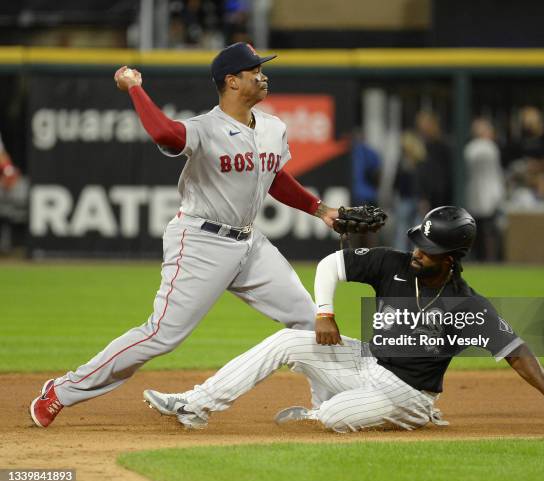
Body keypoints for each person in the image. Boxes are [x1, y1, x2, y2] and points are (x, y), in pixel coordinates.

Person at [29, 42, 341, 428]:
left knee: (310, 319)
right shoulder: (205, 128)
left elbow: (276, 178)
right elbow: (165, 135)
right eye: (254, 70)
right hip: (201, 241)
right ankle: (62, 390)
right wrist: (135, 89)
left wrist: (322, 210)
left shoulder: (273, 128)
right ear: (232, 82)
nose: (262, 75)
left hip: (249, 243)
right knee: (161, 335)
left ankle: (328, 406)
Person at [142, 206, 544, 432]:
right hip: (365, 363)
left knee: (334, 419)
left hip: (409, 393)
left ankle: (406, 417)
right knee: (287, 341)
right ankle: (195, 405)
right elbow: (329, 267)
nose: (416, 252)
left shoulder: (467, 305)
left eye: (427, 251)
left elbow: (516, 350)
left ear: (450, 259)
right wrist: (324, 313)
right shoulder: (393, 262)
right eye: (417, 243)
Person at [464, 118, 505, 261]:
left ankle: (479, 257)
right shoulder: (489, 147)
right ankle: (490, 258)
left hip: (475, 193)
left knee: (478, 229)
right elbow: (495, 174)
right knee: (489, 229)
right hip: (489, 193)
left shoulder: (470, 148)